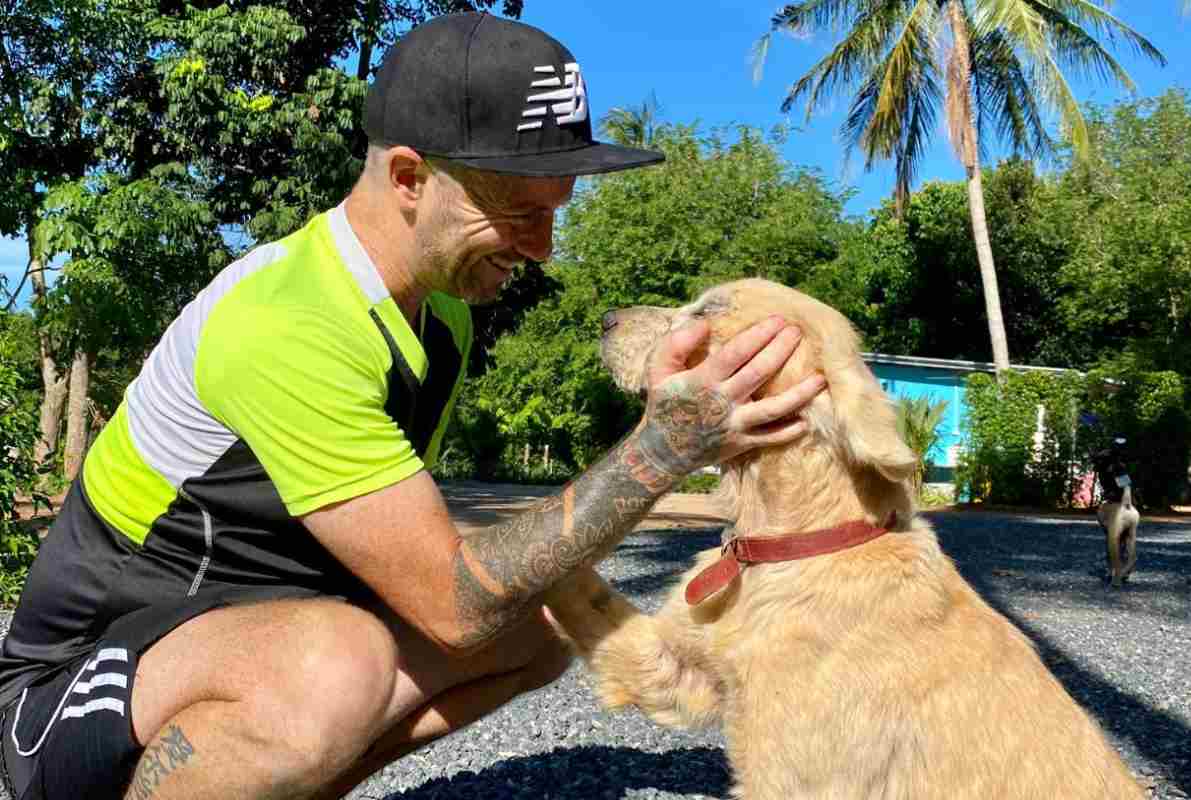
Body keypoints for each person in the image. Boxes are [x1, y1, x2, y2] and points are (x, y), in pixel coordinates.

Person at [0, 12, 826, 800]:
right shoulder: (287, 324)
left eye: (555, 213)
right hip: (73, 687)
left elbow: (426, 557)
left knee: (541, 623)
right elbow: (449, 603)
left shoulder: (446, 314)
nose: (541, 250)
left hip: (237, 635)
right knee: (338, 663)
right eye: (518, 211)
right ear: (408, 177)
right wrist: (661, 450)